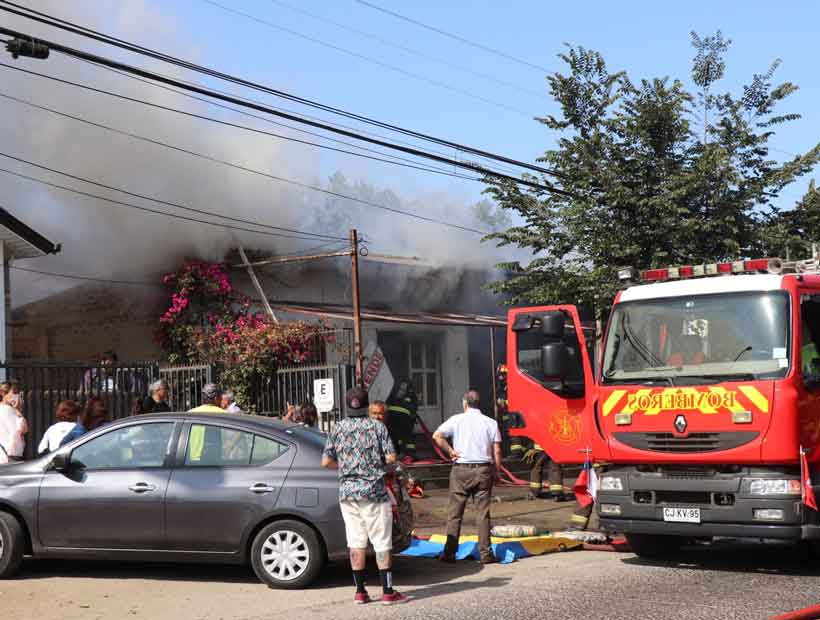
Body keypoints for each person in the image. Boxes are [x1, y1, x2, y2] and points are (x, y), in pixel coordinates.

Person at [321, 386, 407, 606]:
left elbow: (326, 462)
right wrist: (373, 466)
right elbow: (390, 458)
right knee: (381, 541)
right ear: (368, 405)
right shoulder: (377, 426)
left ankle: (360, 592)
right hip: (374, 492)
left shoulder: (338, 428)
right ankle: (388, 592)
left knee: (356, 541)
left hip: (348, 494)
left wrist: (348, 466)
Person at [432, 390, 502, 564]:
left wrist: (450, 451)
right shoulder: (491, 423)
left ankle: (449, 554)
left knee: (455, 513)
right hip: (483, 470)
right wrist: (497, 471)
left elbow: (437, 435)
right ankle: (486, 554)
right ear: (479, 404)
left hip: (461, 470)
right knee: (482, 513)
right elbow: (497, 450)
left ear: (465, 403)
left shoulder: (456, 419)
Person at [386, 380, 419, 461]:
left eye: (404, 390)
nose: (402, 392)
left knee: (407, 438)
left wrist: (412, 417)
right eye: (400, 389)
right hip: (393, 419)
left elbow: (414, 408)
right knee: (396, 437)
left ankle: (410, 454)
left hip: (406, 420)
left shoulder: (412, 396)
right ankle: (400, 453)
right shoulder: (390, 396)